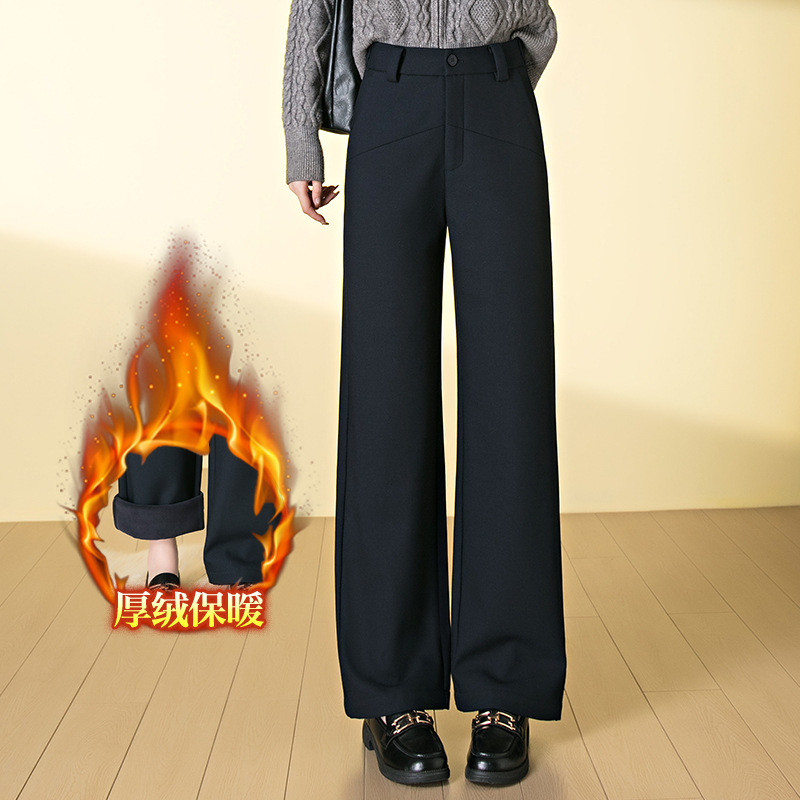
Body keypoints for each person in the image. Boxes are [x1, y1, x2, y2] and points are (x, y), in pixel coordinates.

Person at [282, 0, 565, 787]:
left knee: (512, 400)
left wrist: (492, 66)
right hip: (392, 99)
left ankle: (504, 686)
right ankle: (393, 692)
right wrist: (301, 135)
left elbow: (540, 24)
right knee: (385, 401)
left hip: (499, 96)